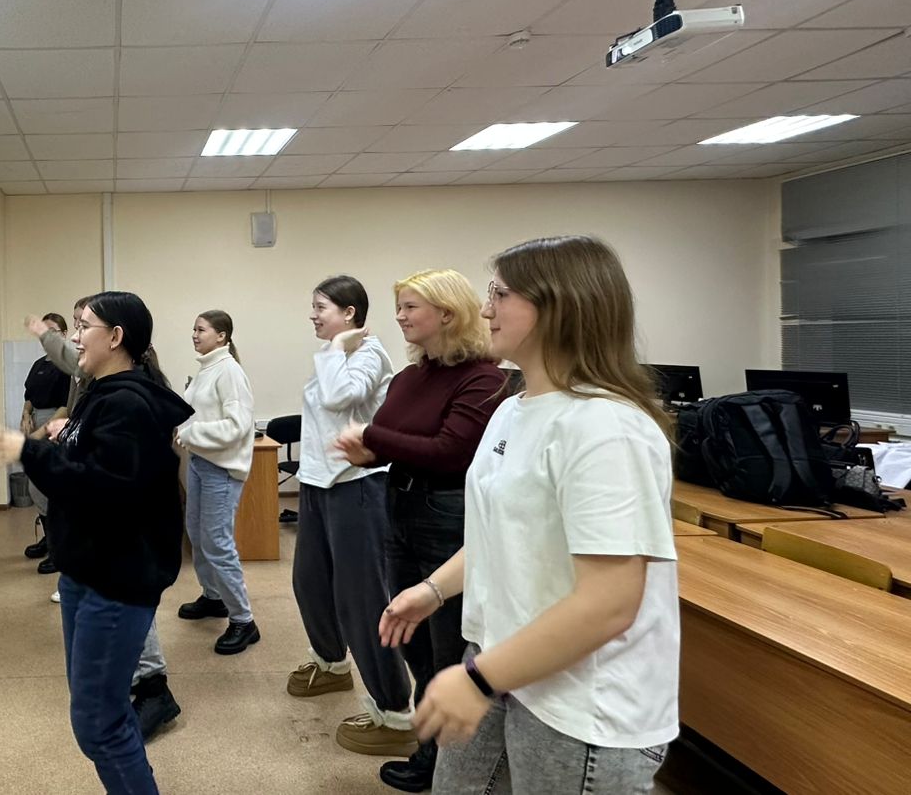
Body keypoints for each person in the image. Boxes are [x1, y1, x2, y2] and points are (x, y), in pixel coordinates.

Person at [380, 236, 678, 794]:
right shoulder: (513, 410)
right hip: (500, 661)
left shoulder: (606, 428)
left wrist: (477, 680)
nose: (485, 309)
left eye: (501, 294)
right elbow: (503, 536)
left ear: (559, 305)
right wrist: (434, 589)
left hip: (580, 702)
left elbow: (610, 603)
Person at [0, 292, 192, 795]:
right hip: (86, 571)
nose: (74, 338)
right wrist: (59, 435)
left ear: (116, 337)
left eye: (83, 327)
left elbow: (100, 486)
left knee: (99, 725)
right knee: (100, 712)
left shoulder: (129, 403)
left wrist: (27, 450)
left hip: (114, 582)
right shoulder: (101, 392)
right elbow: (88, 465)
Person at [332, 269, 505, 792]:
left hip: (445, 516)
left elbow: (450, 451)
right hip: (400, 508)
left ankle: (441, 758)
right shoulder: (410, 377)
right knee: (411, 636)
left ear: (447, 314)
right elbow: (394, 442)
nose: (400, 316)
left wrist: (372, 437)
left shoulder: (482, 378)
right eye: (400, 306)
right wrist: (368, 451)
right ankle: (433, 740)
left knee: (447, 642)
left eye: (411, 307)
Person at [288, 275, 414, 757]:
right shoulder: (337, 352)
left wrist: (338, 348)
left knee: (360, 601)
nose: (313, 315)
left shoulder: (368, 354)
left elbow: (340, 397)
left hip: (357, 486)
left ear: (350, 314)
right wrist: (334, 349)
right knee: (310, 582)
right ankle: (331, 663)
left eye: (321, 307)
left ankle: (395, 713)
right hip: (319, 484)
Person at [173, 310, 260, 655]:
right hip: (200, 462)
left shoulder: (229, 371)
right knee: (197, 534)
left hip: (220, 469)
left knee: (217, 543)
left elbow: (238, 426)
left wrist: (193, 432)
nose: (194, 334)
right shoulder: (207, 368)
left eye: (201, 329)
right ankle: (214, 597)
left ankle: (243, 620)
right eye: (193, 329)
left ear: (222, 336)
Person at [24, 296, 93, 574]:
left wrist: (43, 431)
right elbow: (30, 394)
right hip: (61, 432)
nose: (77, 330)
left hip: (62, 429)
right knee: (40, 489)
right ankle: (54, 545)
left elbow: (69, 406)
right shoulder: (51, 364)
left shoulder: (92, 369)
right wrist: (26, 416)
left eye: (83, 323)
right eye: (76, 321)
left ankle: (60, 551)